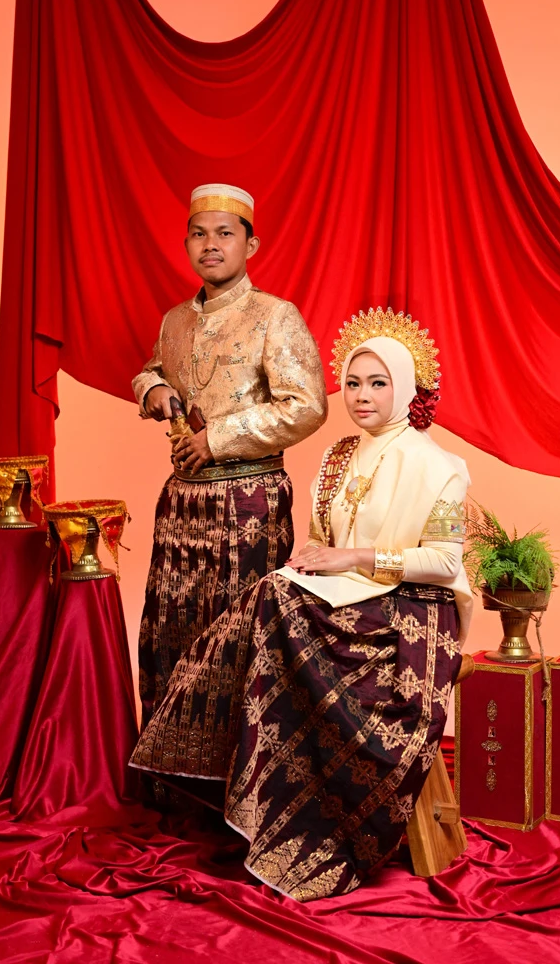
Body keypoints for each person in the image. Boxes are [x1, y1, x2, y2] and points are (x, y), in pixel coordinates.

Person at [130, 306, 472, 901]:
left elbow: (444, 564)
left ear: (406, 388)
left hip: (410, 610)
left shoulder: (440, 467)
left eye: (378, 383)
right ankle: (245, 793)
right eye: (353, 383)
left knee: (273, 603)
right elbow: (321, 540)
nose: (361, 396)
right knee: (275, 594)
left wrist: (353, 559)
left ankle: (290, 817)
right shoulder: (340, 456)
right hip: (345, 596)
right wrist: (311, 561)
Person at [132, 184, 327, 724]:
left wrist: (215, 439)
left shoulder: (275, 316)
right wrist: (152, 390)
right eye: (199, 234)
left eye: (224, 233)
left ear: (251, 244)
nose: (210, 245)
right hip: (181, 505)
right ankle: (167, 762)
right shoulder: (175, 320)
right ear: (187, 245)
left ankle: (241, 766)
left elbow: (307, 406)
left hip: (248, 504)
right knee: (171, 632)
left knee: (239, 638)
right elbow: (151, 369)